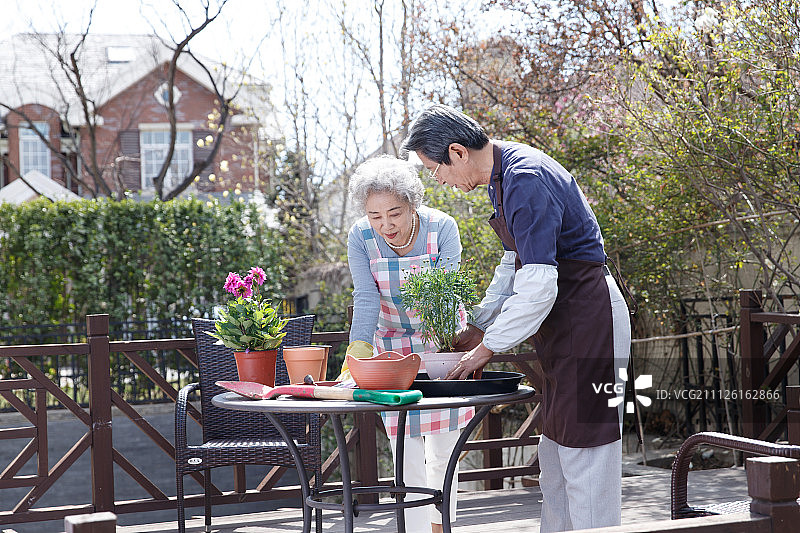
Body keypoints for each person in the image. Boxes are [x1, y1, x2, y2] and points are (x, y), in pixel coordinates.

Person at [402, 104, 631, 533]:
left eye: (435, 170)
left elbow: (540, 283)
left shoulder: (525, 178)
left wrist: (487, 348)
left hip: (591, 321)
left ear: (457, 152)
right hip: (564, 328)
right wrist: (481, 323)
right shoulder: (502, 180)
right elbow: (514, 264)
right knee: (556, 455)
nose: (440, 181)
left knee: (588, 456)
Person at [346, 155, 474, 533]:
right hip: (392, 352)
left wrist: (450, 351)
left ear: (413, 204)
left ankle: (442, 527)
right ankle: (415, 530)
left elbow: (448, 296)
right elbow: (366, 298)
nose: (385, 225)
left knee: (444, 451)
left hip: (440, 343)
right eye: (375, 216)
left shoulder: (442, 228)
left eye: (395, 214)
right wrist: (358, 350)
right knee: (405, 452)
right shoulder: (360, 237)